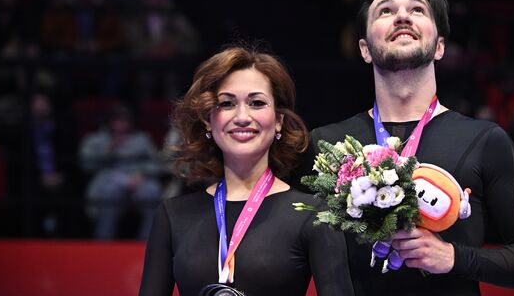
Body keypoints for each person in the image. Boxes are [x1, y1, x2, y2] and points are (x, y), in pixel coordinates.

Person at [294, 0, 514, 296]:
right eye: (385, 11)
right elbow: (290, 260)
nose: (401, 16)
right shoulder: (326, 146)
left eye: (418, 10)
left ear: (439, 47)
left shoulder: (485, 140)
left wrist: (454, 257)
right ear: (365, 49)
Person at [138, 45, 354, 296]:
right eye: (227, 103)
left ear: (278, 121)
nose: (242, 116)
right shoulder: (173, 215)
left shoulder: (313, 214)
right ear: (208, 120)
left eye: (257, 103)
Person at [79, 103, 163, 239]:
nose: (122, 124)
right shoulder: (95, 140)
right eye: (118, 120)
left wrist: (142, 173)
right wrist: (108, 151)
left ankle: (147, 242)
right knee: (109, 193)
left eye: (126, 120)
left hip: (138, 180)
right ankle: (104, 240)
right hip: (107, 180)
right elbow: (86, 164)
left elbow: (156, 164)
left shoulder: (142, 139)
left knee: (152, 191)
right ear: (109, 122)